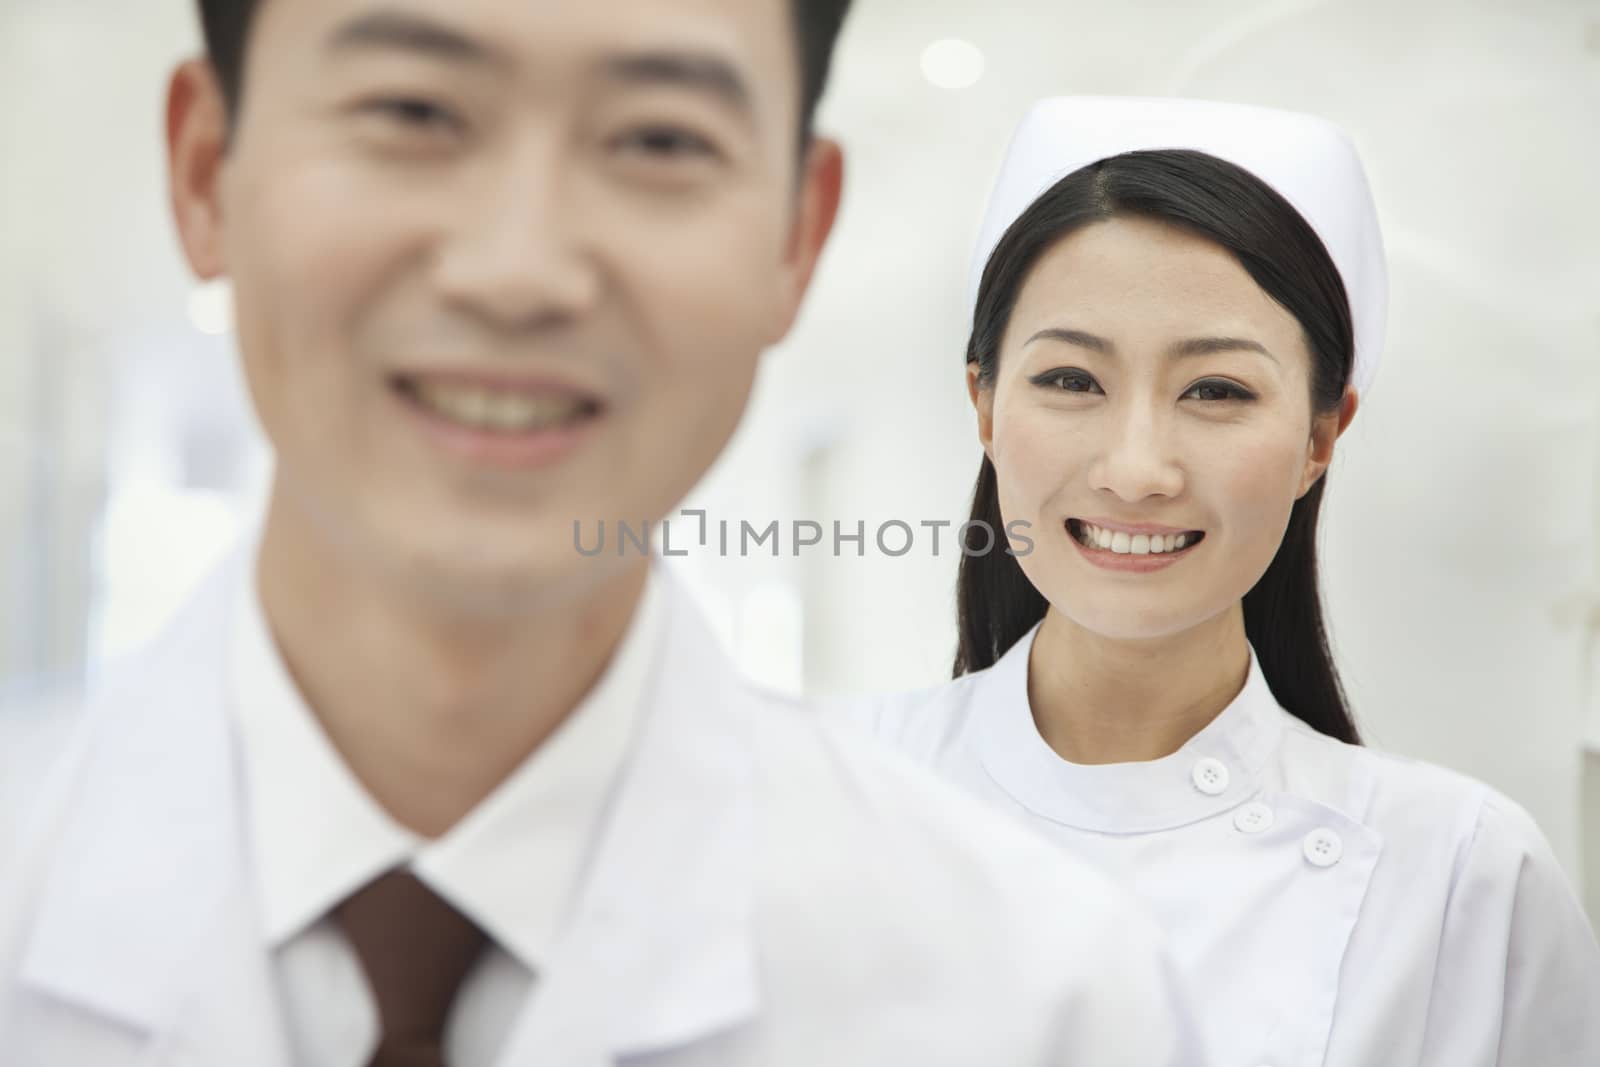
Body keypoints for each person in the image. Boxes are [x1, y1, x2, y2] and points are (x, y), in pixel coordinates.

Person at [0, 7, 1209, 1067]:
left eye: (660, 140)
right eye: (413, 109)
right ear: (207, 172)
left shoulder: (1046, 1004)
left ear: (797, 234)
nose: (519, 271)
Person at [836, 96, 1600, 1066]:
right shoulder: (814, 802)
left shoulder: (1459, 876)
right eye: (1071, 379)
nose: (1137, 467)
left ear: (1321, 435)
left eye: (1217, 390)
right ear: (983, 402)